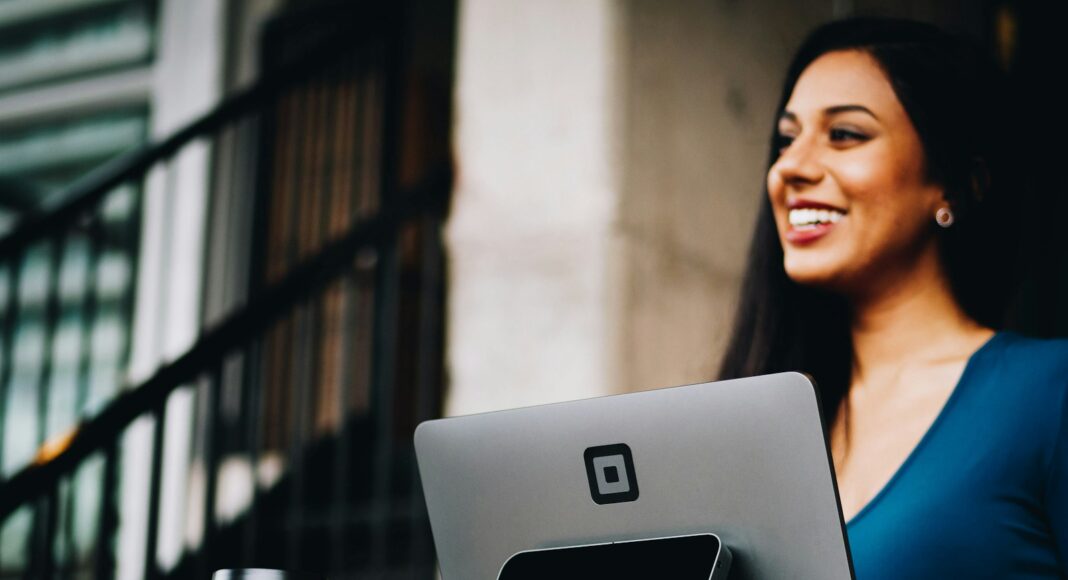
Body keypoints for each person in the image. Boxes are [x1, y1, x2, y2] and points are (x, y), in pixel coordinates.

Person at [717, 16, 1068, 578]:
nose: (790, 168)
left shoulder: (1049, 395)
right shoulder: (749, 426)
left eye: (845, 134)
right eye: (786, 139)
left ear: (956, 181)